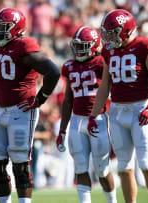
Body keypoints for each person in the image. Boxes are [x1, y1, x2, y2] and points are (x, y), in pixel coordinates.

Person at [87, 9, 148, 203]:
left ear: (126, 29)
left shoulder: (146, 46)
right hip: (117, 111)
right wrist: (93, 115)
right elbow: (105, 86)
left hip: (140, 109)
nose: (109, 37)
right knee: (123, 166)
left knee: (146, 164)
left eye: (113, 32)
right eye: (107, 32)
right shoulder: (108, 51)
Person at [0, 8, 60, 203]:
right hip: (0, 109)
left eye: (3, 27)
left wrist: (41, 98)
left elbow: (53, 71)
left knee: (20, 162)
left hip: (22, 109)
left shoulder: (24, 46)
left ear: (16, 29)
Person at [56, 26, 116, 203]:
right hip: (76, 120)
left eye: (82, 45)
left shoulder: (101, 63)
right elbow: (67, 100)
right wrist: (62, 130)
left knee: (102, 170)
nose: (78, 49)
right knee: (80, 168)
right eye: (76, 45)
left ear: (94, 45)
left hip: (97, 119)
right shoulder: (69, 66)